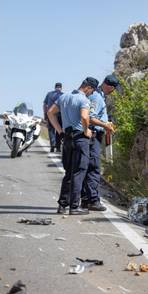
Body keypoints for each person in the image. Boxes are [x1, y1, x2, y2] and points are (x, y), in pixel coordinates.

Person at [47, 77, 99, 215]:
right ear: (88, 87)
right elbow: (84, 116)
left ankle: (62, 205)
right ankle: (74, 207)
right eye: (92, 91)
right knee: (79, 172)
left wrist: (60, 131)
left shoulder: (64, 97)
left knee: (69, 172)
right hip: (80, 139)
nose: (91, 94)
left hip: (67, 139)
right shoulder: (84, 100)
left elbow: (50, 112)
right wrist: (86, 129)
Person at [81, 75, 119, 211]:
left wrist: (105, 124)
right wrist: (105, 126)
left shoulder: (98, 96)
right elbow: (90, 118)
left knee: (89, 167)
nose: (113, 92)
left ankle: (86, 199)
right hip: (93, 136)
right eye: (113, 89)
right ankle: (92, 200)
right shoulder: (97, 97)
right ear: (109, 86)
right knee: (93, 168)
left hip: (94, 134)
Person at [43, 82, 64, 152]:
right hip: (60, 115)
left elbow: (45, 105)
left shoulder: (49, 94)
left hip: (50, 114)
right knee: (59, 130)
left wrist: (45, 114)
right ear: (61, 88)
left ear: (55, 87)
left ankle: (52, 145)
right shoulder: (63, 95)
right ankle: (58, 147)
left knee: (51, 130)